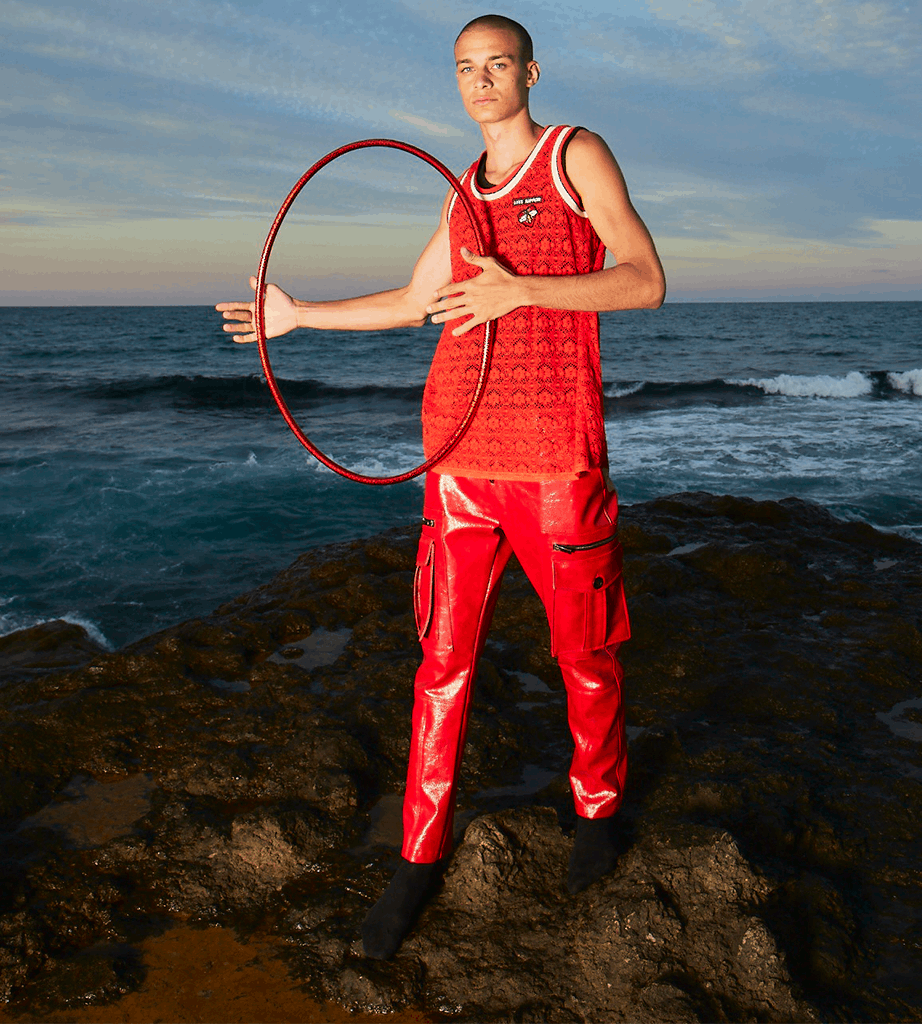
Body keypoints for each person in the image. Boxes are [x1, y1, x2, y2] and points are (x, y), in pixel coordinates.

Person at [216, 13, 664, 960]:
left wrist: (522, 289)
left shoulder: (574, 155)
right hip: (458, 458)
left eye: (498, 64)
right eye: (466, 68)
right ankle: (418, 855)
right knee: (441, 663)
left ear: (530, 72)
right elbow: (416, 301)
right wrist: (299, 316)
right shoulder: (462, 190)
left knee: (585, 653)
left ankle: (597, 811)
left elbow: (644, 280)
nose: (481, 80)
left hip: (554, 458)